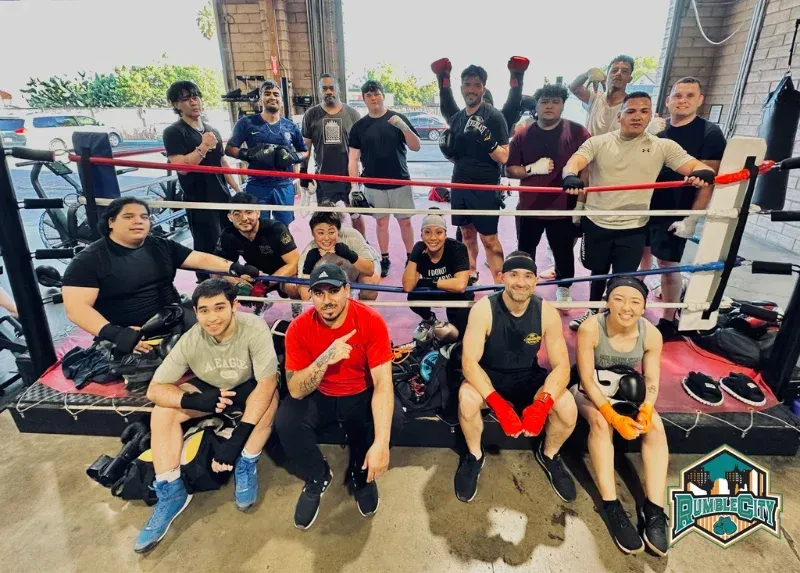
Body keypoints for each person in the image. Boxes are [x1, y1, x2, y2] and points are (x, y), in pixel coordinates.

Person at [134, 279, 279, 552]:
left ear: (234, 306)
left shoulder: (254, 328)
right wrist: (195, 399)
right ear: (196, 312)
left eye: (219, 308)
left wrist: (235, 444)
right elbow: (155, 389)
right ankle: (171, 488)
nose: (212, 317)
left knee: (269, 399)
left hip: (250, 385)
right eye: (204, 310)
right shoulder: (191, 340)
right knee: (162, 410)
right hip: (212, 389)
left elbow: (267, 383)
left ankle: (247, 462)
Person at [562, 92, 716, 331]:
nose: (637, 116)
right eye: (631, 111)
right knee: (597, 271)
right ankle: (592, 312)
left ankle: (612, 321)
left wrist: (701, 171)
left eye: (644, 111)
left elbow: (693, 164)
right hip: (597, 221)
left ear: (650, 115)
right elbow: (575, 160)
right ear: (620, 116)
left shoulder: (662, 146)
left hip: (633, 226)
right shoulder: (598, 142)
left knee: (624, 278)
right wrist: (571, 175)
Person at [275, 263, 404, 529]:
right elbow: (297, 390)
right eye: (319, 293)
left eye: (333, 290)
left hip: (360, 392)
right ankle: (318, 476)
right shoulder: (299, 328)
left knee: (395, 421)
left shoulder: (370, 321)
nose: (327, 300)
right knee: (286, 421)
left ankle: (361, 474)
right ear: (310, 296)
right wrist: (324, 359)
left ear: (347, 290)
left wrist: (381, 443)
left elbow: (383, 384)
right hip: (321, 393)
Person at [62, 197, 261, 355]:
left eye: (144, 217)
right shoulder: (89, 260)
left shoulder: (160, 245)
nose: (138, 221)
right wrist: (115, 334)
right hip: (132, 333)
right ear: (111, 222)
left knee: (241, 335)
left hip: (173, 317)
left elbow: (199, 259)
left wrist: (235, 267)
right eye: (129, 216)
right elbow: (76, 308)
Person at [455, 252, 577, 504]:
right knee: (466, 399)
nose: (521, 282)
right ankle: (474, 455)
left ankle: (550, 455)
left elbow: (562, 366)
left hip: (527, 376)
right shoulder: (484, 309)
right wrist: (498, 405)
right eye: (514, 275)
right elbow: (469, 363)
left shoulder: (546, 312)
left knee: (567, 407)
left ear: (535, 281)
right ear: (502, 277)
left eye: (528, 276)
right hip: (489, 375)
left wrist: (542, 404)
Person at [571, 276, 669, 556]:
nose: (627, 307)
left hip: (627, 392)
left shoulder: (651, 334)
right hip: (590, 391)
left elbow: (651, 377)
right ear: (607, 302)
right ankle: (611, 505)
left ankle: (654, 510)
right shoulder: (591, 328)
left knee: (656, 429)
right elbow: (586, 378)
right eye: (619, 299)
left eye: (635, 301)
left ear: (644, 306)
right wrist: (611, 415)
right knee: (602, 425)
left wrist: (648, 406)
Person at [640, 77, 726, 338]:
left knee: (668, 264)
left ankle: (668, 320)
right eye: (678, 95)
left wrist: (692, 218)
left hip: (675, 209)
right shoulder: (657, 131)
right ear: (668, 101)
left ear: (700, 100)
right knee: (638, 258)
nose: (683, 100)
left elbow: (708, 180)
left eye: (690, 95)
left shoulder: (709, 133)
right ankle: (632, 305)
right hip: (645, 204)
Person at [506, 84, 591, 304]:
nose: (549, 106)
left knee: (563, 251)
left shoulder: (577, 131)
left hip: (563, 207)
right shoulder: (522, 135)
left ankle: (564, 287)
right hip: (529, 206)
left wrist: (581, 205)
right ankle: (526, 287)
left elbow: (587, 168)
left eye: (555, 101)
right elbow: (510, 169)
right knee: (525, 251)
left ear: (563, 105)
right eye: (544, 101)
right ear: (537, 105)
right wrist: (531, 169)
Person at [439, 65, 510, 283]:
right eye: (468, 85)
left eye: (477, 85)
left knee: (489, 239)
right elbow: (456, 157)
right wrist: (447, 151)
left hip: (485, 188)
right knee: (466, 234)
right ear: (461, 87)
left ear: (483, 89)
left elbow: (504, 157)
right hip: (459, 185)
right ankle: (470, 275)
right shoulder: (457, 119)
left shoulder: (494, 117)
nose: (472, 89)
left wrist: (487, 139)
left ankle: (500, 286)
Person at [163, 80, 239, 282]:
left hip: (222, 197)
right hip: (198, 200)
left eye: (195, 97)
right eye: (185, 99)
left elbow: (222, 162)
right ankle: (207, 288)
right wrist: (204, 146)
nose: (193, 102)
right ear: (175, 104)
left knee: (229, 241)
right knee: (207, 246)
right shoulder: (174, 132)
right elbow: (181, 168)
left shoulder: (212, 130)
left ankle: (230, 285)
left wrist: (236, 190)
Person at [348, 80, 421, 277]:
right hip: (373, 183)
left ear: (382, 95)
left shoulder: (397, 119)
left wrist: (404, 127)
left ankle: (411, 257)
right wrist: (354, 187)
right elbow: (353, 158)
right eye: (369, 95)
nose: (374, 98)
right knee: (381, 223)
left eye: (377, 94)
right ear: (363, 99)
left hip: (400, 180)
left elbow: (416, 146)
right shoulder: (359, 127)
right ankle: (385, 257)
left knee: (405, 222)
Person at [225, 80, 308, 225]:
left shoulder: (290, 126)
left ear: (281, 101)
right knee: (257, 226)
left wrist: (294, 157)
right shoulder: (247, 123)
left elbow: (305, 151)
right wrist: (250, 154)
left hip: (284, 184)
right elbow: (229, 149)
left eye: (276, 94)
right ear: (260, 98)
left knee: (284, 228)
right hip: (257, 184)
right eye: (267, 94)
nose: (272, 97)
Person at [301, 73, 367, 237]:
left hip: (349, 177)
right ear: (319, 91)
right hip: (324, 178)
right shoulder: (311, 114)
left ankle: (364, 246)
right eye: (324, 88)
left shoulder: (352, 114)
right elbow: (306, 147)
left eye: (331, 88)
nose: (328, 91)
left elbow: (362, 146)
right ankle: (326, 249)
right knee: (325, 219)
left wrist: (365, 171)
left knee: (356, 215)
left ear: (338, 89)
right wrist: (302, 171)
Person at [213, 192, 301, 301]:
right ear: (230, 217)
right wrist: (238, 283)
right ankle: (262, 303)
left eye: (249, 212)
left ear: (258, 213)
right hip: (254, 274)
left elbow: (294, 262)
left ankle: (297, 306)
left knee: (293, 287)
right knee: (217, 278)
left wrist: (265, 283)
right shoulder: (228, 235)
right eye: (237, 214)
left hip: (282, 273)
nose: (244, 218)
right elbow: (218, 266)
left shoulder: (275, 228)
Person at [402, 212, 472, 340]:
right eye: (427, 232)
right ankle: (430, 320)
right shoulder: (419, 250)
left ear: (445, 235)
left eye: (438, 232)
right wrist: (414, 255)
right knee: (413, 297)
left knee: (457, 335)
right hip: (437, 290)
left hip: (456, 293)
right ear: (421, 235)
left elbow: (460, 285)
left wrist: (430, 282)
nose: (433, 237)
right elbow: (408, 286)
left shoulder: (457, 248)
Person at [297, 206, 381, 301]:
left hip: (360, 270)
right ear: (313, 234)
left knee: (370, 287)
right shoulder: (309, 252)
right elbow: (305, 296)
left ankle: (362, 312)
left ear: (338, 230)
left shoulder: (352, 236)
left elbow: (370, 270)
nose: (326, 238)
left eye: (331, 232)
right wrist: (308, 266)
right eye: (321, 233)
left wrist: (350, 255)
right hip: (335, 279)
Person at [432, 56, 533, 131]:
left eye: (486, 103)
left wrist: (517, 81)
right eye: (467, 85)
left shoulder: (499, 119)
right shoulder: (460, 119)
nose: (481, 108)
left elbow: (513, 105)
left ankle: (517, 76)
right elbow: (449, 110)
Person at [569, 55, 634, 136]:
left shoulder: (632, 105)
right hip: (589, 147)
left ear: (629, 79)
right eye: (614, 70)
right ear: (607, 75)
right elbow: (574, 88)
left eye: (624, 71)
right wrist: (588, 73)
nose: (618, 73)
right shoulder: (595, 97)